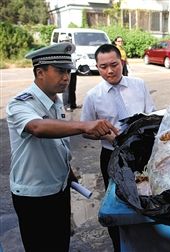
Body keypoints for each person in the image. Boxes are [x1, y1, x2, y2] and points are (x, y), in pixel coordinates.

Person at [6, 42, 118, 252]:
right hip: (34, 195)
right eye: (59, 71)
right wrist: (85, 125)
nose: (66, 77)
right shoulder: (20, 103)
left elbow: (57, 142)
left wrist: (66, 171)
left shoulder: (56, 101)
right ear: (40, 72)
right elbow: (38, 127)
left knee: (60, 244)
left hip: (59, 187)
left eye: (68, 71)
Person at [80, 43, 155, 251]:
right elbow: (85, 129)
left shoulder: (139, 85)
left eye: (114, 64)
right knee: (117, 203)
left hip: (143, 154)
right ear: (97, 66)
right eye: (103, 67)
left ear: (121, 62)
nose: (109, 71)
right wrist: (103, 134)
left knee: (148, 195)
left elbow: (152, 115)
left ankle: (148, 240)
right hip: (112, 156)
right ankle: (119, 245)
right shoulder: (93, 96)